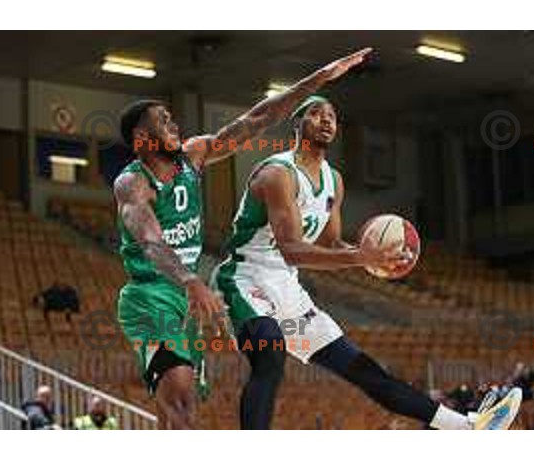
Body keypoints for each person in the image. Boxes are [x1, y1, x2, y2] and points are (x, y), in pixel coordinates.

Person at [213, 95, 522, 430]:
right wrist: (360, 255)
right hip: (245, 280)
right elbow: (292, 249)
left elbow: (331, 244)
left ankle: (467, 426)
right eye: (315, 114)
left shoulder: (334, 181)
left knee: (364, 369)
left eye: (331, 115)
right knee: (269, 354)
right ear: (297, 125)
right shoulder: (278, 174)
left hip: (288, 290)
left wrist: (377, 261)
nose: (326, 119)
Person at [114, 49, 372, 429]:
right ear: (141, 138)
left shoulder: (194, 155)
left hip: (184, 297)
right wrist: (190, 280)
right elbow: (150, 241)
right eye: (163, 121)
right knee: (180, 398)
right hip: (151, 295)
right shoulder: (132, 182)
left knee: (180, 406)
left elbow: (259, 118)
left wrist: (318, 78)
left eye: (172, 118)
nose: (174, 124)